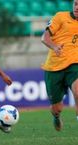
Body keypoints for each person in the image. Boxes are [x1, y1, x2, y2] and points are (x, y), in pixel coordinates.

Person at [41, 0, 78, 131]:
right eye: (76, 3)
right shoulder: (60, 17)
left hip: (75, 64)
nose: (77, 7)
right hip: (54, 67)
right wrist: (55, 47)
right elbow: (44, 38)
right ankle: (56, 117)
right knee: (57, 109)